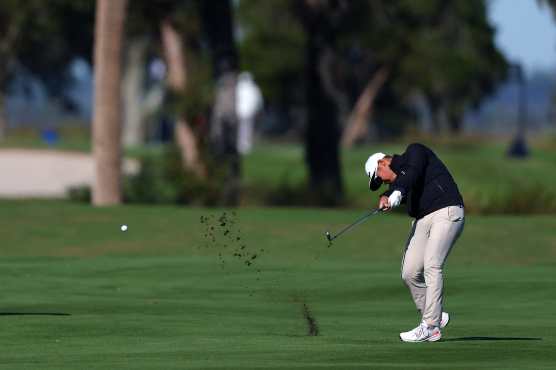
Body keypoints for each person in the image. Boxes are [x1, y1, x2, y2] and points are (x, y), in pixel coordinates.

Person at [365, 143, 465, 342]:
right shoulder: (401, 184)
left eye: (379, 178)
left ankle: (430, 326)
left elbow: (410, 173)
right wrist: (387, 196)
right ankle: (436, 314)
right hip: (423, 219)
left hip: (446, 211)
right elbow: (405, 184)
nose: (383, 182)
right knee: (409, 272)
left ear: (382, 162)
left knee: (432, 265)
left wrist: (396, 192)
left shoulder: (415, 152)